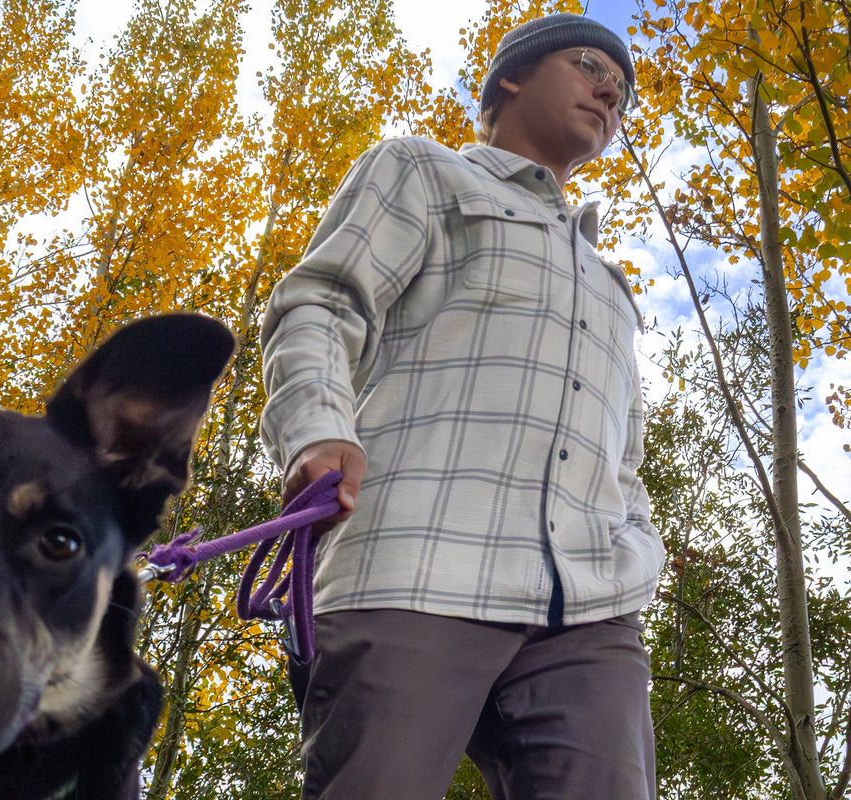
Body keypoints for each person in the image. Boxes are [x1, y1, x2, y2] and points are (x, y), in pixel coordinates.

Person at [259, 13, 666, 800]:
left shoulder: (614, 290)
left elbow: (625, 459)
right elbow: (319, 305)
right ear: (510, 76)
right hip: (412, 565)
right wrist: (316, 432)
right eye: (591, 64)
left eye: (624, 92)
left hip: (592, 610)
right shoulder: (423, 171)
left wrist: (637, 552)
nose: (612, 89)